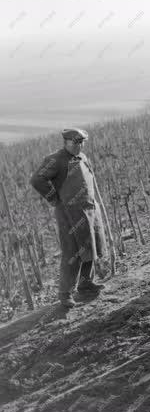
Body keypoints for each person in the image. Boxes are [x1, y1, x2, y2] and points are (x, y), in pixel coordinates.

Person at [30, 128, 106, 309]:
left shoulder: (83, 157)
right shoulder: (55, 159)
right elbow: (37, 179)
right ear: (66, 142)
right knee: (72, 252)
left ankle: (86, 283)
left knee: (91, 246)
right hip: (69, 215)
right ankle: (65, 294)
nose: (79, 146)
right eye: (76, 142)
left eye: (82, 142)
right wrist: (54, 198)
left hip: (89, 210)